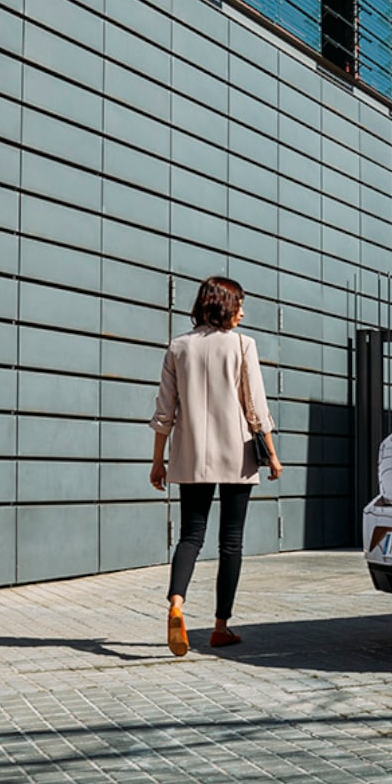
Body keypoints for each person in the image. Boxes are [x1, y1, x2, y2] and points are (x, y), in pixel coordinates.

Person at [150, 276, 282, 656]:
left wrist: (158, 461)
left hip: (189, 455)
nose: (243, 310)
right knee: (231, 541)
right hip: (236, 455)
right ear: (223, 305)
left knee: (191, 535)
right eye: (239, 303)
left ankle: (176, 604)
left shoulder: (178, 347)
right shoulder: (243, 345)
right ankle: (221, 626)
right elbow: (255, 408)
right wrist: (272, 454)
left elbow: (164, 413)